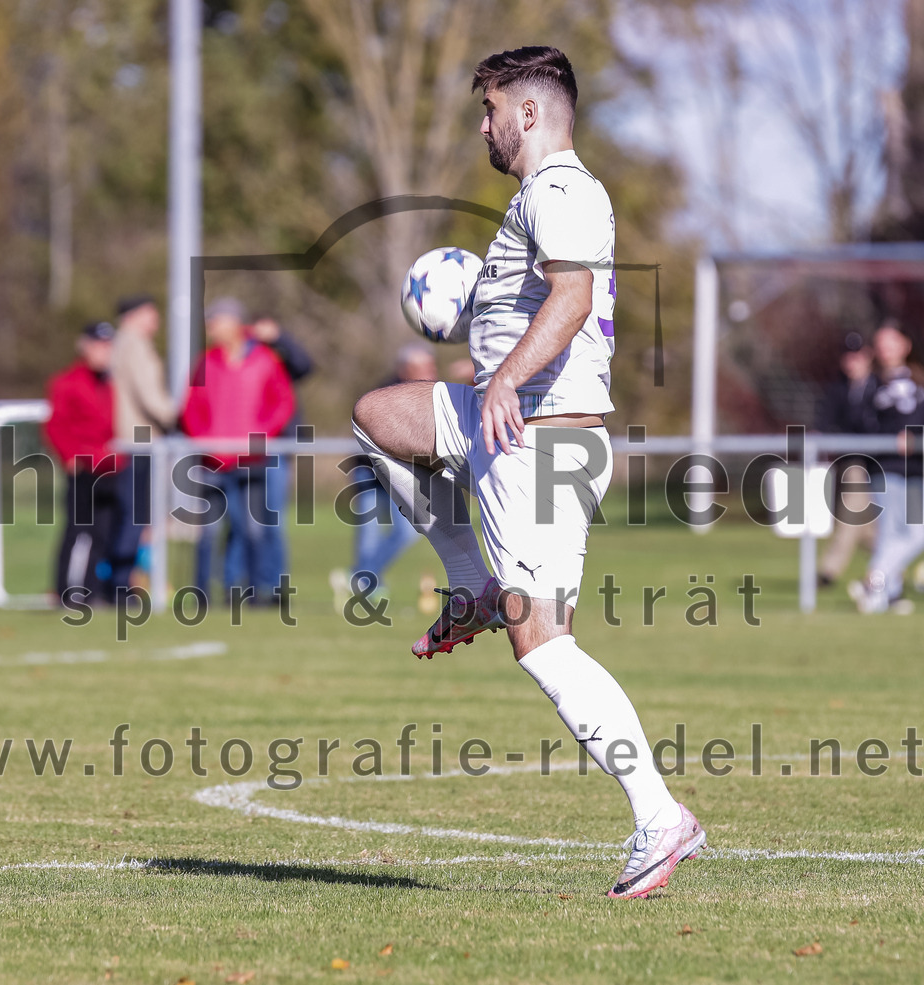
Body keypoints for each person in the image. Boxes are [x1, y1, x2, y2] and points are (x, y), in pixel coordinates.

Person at [351, 46, 705, 900]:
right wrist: (488, 335)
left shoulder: (562, 188)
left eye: (491, 110)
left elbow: (572, 297)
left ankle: (660, 816)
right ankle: (467, 580)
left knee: (542, 642)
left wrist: (506, 375)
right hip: (499, 420)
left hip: (541, 442)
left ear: (530, 113)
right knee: (378, 417)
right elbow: (544, 300)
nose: (484, 126)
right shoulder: (535, 197)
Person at [181, 297, 295, 604]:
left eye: (216, 320)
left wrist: (260, 436)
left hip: (251, 461)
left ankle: (256, 593)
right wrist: (204, 438)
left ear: (234, 323)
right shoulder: (206, 362)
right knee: (209, 532)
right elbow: (191, 408)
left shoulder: (264, 360)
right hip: (213, 461)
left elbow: (282, 403)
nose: (211, 327)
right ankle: (203, 593)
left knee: (253, 529)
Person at [331, 343, 437, 612]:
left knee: (408, 531)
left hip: (401, 472)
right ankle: (367, 587)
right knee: (369, 533)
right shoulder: (383, 395)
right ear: (404, 369)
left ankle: (359, 577)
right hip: (370, 470)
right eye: (421, 367)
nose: (428, 372)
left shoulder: (433, 395)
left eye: (430, 366)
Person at [848, 320, 924, 613]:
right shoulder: (871, 384)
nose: (885, 349)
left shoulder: (919, 381)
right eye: (881, 344)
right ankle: (885, 595)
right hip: (886, 468)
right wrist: (858, 383)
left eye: (891, 342)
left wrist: (914, 436)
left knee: (917, 533)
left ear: (905, 345)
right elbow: (858, 424)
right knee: (890, 533)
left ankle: (873, 580)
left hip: (915, 470)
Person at [44, 321, 121, 602]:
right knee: (75, 531)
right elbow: (56, 425)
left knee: (103, 533)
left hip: (110, 467)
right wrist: (70, 456)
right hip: (83, 469)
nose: (104, 352)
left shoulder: (114, 383)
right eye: (99, 346)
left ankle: (91, 591)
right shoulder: (67, 382)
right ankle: (64, 591)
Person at [108, 295, 179, 593]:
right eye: (151, 314)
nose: (156, 321)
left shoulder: (119, 343)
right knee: (135, 516)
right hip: (139, 439)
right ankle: (121, 584)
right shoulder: (134, 344)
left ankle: (119, 581)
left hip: (128, 440)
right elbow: (150, 395)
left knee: (129, 515)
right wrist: (177, 417)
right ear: (134, 315)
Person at [247, 314, 315, 599]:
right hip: (243, 448)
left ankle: (275, 587)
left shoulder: (280, 354)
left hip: (276, 447)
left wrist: (280, 338)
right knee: (245, 524)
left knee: (272, 521)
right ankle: (245, 586)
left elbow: (305, 366)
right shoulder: (244, 352)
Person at [816, 333, 877, 587]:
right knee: (858, 519)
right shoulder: (837, 390)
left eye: (857, 356)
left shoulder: (880, 387)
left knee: (863, 524)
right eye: (848, 357)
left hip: (882, 464)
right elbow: (823, 424)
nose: (852, 362)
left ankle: (830, 570)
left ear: (868, 357)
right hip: (851, 463)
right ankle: (889, 563)